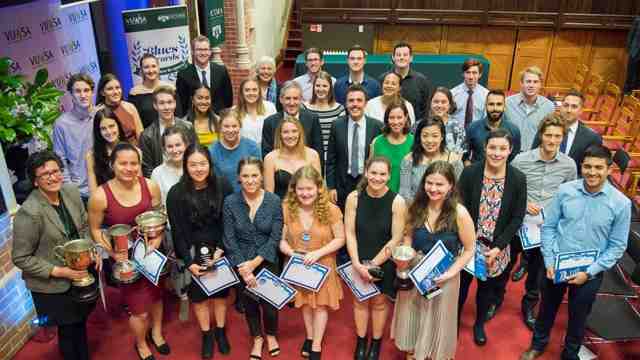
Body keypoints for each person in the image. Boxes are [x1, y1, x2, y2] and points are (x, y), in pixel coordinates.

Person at [520, 144, 631, 360]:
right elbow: (549, 226)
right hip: (556, 265)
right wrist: (549, 260)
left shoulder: (621, 204)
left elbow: (617, 245)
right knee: (546, 309)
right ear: (582, 166)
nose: (592, 172)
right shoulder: (566, 190)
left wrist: (589, 272)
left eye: (599, 168)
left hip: (589, 272)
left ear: (609, 170)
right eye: (588, 166)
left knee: (579, 317)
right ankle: (538, 344)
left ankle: (570, 354)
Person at [12, 151, 97, 360]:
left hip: (80, 274)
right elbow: (21, 257)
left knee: (79, 323)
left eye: (56, 171)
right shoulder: (30, 212)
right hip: (53, 284)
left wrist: (93, 251)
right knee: (67, 332)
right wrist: (62, 271)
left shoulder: (70, 191)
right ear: (35, 181)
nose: (52, 177)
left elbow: (84, 225)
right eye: (45, 175)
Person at [88, 143, 169, 360]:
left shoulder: (150, 186)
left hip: (152, 254)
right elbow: (95, 229)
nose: (129, 168)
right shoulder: (100, 195)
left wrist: (159, 238)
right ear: (112, 165)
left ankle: (157, 333)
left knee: (157, 296)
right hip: (127, 261)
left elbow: (160, 215)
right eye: (123, 163)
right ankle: (141, 344)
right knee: (139, 309)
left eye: (134, 163)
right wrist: (113, 254)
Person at [392, 161, 475, 360]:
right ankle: (414, 350)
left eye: (440, 185)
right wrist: (406, 255)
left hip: (444, 274)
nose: (433, 189)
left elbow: (470, 249)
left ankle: (434, 353)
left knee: (438, 317)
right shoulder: (415, 207)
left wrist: (451, 273)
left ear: (451, 186)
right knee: (413, 312)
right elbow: (409, 237)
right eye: (429, 183)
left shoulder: (459, 213)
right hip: (416, 270)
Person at [457, 128, 527, 347]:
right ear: (485, 148)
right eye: (493, 147)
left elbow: (517, 217)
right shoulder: (470, 174)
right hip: (467, 244)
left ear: (510, 150)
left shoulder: (518, 178)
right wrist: (468, 242)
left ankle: (478, 324)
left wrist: (498, 247)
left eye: (502, 148)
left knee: (486, 290)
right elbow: (459, 208)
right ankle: (453, 321)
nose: (497, 153)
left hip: (496, 249)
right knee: (461, 288)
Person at [167, 144, 234, 359]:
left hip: (220, 249)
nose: (198, 168)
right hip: (193, 252)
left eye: (203, 163)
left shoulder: (222, 185)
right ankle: (207, 334)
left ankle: (221, 331)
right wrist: (188, 261)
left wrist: (222, 249)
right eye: (193, 164)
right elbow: (177, 231)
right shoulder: (176, 193)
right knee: (200, 298)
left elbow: (229, 220)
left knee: (221, 294)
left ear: (210, 164)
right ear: (186, 166)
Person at [512, 114, 577, 331]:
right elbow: (510, 191)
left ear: (562, 138)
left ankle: (529, 305)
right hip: (518, 224)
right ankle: (494, 300)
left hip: (546, 229)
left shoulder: (569, 165)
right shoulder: (521, 160)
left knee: (538, 273)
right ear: (541, 135)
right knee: (505, 266)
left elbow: (571, 197)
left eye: (557, 136)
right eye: (548, 135)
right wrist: (524, 204)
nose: (551, 140)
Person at [279, 165, 345, 360]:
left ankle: (316, 345)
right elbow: (281, 240)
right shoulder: (286, 208)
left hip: (323, 264)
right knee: (306, 304)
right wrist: (291, 253)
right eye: (301, 189)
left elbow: (340, 238)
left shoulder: (331, 210)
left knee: (321, 306)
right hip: (299, 265)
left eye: (309, 189)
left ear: (318, 188)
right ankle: (309, 336)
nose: (305, 193)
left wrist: (318, 253)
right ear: (294, 189)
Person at [345, 156, 406, 360]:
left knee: (379, 302)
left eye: (382, 174)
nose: (377, 178)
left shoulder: (397, 202)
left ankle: (376, 342)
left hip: (383, 260)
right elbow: (350, 233)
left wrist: (371, 265)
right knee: (359, 301)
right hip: (358, 257)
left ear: (389, 176)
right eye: (373, 173)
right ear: (366, 172)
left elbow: (396, 238)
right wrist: (356, 263)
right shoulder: (353, 198)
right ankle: (361, 340)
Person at [222, 157, 283, 360]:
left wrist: (255, 263)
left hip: (267, 260)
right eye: (245, 176)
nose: (250, 180)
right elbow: (229, 239)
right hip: (241, 262)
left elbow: (275, 237)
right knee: (249, 304)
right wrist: (243, 267)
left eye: (254, 175)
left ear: (262, 177)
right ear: (239, 178)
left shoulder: (274, 201)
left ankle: (272, 335)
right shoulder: (230, 202)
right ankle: (257, 337)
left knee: (270, 305)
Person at [326, 84, 384, 210]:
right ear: (346, 103)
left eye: (359, 100)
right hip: (342, 184)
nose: (355, 104)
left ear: (365, 103)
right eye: (351, 100)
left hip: (368, 183)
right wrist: (331, 187)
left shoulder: (377, 126)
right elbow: (331, 160)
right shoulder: (337, 125)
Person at [531, 90, 602, 175]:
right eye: (566, 105)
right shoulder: (546, 127)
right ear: (561, 107)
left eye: (574, 107)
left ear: (581, 110)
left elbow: (590, 168)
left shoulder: (592, 138)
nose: (569, 110)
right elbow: (533, 153)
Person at [399, 116, 464, 202]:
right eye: (425, 136)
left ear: (442, 137)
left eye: (435, 136)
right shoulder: (409, 160)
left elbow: (455, 194)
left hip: (446, 211)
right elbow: (404, 194)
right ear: (419, 137)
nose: (429, 140)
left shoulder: (454, 161)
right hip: (414, 210)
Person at [52, 73, 95, 201]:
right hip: (80, 192)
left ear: (92, 92)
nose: (83, 95)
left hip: (105, 185)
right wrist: (70, 190)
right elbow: (60, 159)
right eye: (77, 91)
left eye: (86, 90)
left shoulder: (101, 116)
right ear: (71, 94)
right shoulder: (61, 124)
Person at [139, 85, 198, 178]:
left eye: (169, 102)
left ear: (175, 103)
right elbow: (147, 169)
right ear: (155, 105)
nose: (166, 107)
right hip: (163, 181)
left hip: (189, 176)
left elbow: (196, 154)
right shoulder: (147, 135)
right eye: (161, 103)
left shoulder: (188, 127)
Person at [261, 81, 324, 162]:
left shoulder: (312, 119)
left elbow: (318, 153)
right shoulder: (269, 122)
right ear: (281, 99)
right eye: (288, 98)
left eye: (295, 98)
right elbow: (266, 155)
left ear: (301, 99)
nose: (292, 103)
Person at [264, 117, 321, 199]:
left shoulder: (313, 155)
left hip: (308, 207)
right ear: (280, 135)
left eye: (294, 131)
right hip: (280, 208)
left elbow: (319, 189)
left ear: (300, 133)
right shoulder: (270, 158)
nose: (290, 136)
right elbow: (269, 196)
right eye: (285, 132)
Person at [176, 35, 233, 116]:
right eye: (199, 50)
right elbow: (182, 103)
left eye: (205, 49)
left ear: (210, 52)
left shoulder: (221, 71)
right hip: (195, 121)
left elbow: (228, 99)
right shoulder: (183, 75)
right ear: (192, 52)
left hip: (218, 120)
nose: (203, 53)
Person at [505, 66, 555, 152]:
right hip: (509, 152)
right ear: (521, 83)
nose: (531, 85)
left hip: (534, 155)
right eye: (528, 81)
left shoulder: (548, 107)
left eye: (535, 82)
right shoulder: (508, 103)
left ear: (540, 85)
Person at [464, 90, 521, 165]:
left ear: (504, 107)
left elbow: (514, 158)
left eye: (499, 104)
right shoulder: (472, 128)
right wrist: (471, 171)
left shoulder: (514, 130)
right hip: (477, 174)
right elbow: (464, 155)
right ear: (486, 106)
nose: (495, 108)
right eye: (491, 104)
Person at [209, 110, 261, 192]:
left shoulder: (252, 147)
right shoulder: (212, 151)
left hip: (249, 194)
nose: (230, 130)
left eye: (234, 126)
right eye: (226, 126)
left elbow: (258, 178)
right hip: (223, 197)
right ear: (220, 127)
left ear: (240, 126)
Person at [370, 101, 414, 193]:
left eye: (399, 117)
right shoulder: (377, 142)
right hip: (380, 196)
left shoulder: (414, 142)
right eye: (392, 118)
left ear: (406, 118)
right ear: (387, 119)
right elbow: (370, 172)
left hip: (406, 198)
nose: (396, 121)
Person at [379, 42, 432, 120]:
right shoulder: (383, 79)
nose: (401, 57)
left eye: (405, 55)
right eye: (398, 55)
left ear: (411, 58)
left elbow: (425, 109)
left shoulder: (421, 81)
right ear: (393, 58)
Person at [302, 70, 346, 158]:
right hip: (309, 156)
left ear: (330, 88)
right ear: (313, 87)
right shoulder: (304, 108)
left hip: (332, 156)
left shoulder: (339, 109)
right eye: (317, 86)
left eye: (325, 86)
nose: (321, 89)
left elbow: (340, 138)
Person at [86, 107, 126, 195]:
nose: (109, 131)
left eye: (112, 126)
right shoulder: (91, 155)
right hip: (104, 202)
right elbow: (93, 192)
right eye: (103, 129)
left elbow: (138, 185)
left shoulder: (132, 151)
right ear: (98, 132)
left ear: (118, 125)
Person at [96, 73, 144, 145]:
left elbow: (140, 135)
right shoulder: (98, 111)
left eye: (118, 88)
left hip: (134, 150)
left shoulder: (130, 107)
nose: (115, 92)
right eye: (110, 89)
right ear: (102, 92)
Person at [129, 54, 172, 128]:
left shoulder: (170, 89)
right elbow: (134, 122)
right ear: (141, 70)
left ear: (158, 68)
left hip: (171, 135)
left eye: (153, 66)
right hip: (147, 136)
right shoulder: (134, 93)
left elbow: (178, 116)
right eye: (146, 67)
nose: (151, 70)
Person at [236, 77, 277, 147]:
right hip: (245, 154)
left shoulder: (270, 107)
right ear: (242, 93)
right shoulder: (234, 112)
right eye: (247, 90)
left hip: (267, 151)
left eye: (254, 90)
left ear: (259, 92)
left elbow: (276, 132)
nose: (251, 93)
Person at [426, 86, 467, 155]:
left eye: (443, 102)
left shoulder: (457, 127)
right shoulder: (419, 125)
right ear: (430, 103)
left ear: (449, 105)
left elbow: (460, 154)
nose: (439, 105)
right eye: (436, 101)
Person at [451, 58, 490, 128]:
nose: (471, 77)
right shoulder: (453, 93)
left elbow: (486, 120)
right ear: (463, 74)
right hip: (457, 132)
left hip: (477, 132)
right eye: (468, 72)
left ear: (480, 75)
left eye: (474, 73)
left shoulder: (486, 95)